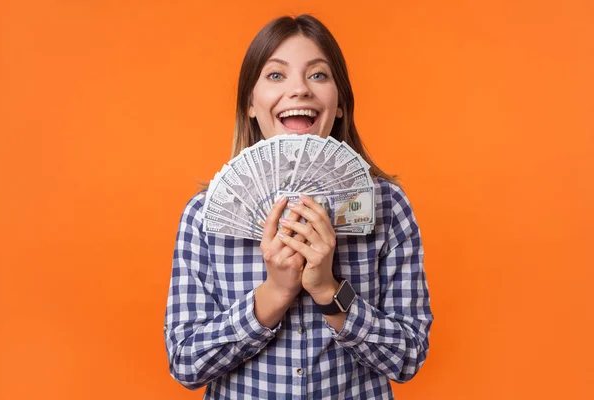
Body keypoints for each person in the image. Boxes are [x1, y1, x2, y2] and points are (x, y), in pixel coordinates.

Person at [164, 14, 433, 399]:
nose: (299, 90)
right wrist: (273, 294)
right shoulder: (204, 215)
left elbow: (408, 357)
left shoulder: (387, 206)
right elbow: (186, 363)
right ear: (251, 105)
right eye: (276, 75)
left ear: (339, 104)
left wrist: (329, 290)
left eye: (318, 75)